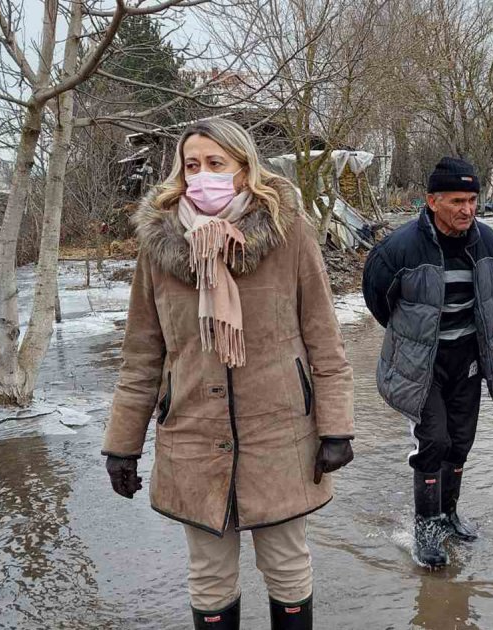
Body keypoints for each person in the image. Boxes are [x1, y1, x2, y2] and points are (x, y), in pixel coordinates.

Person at [102, 118, 355, 630]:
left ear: (244, 170)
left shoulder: (290, 234)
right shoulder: (160, 247)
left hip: (280, 432)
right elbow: (143, 355)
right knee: (210, 575)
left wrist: (337, 427)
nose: (202, 176)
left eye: (216, 164)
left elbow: (324, 338)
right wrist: (121, 445)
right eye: (191, 165)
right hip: (193, 434)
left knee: (286, 565)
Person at [361, 157, 493, 568]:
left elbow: (488, 300)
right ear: (432, 201)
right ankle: (425, 527)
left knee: (460, 442)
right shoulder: (399, 248)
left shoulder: (489, 244)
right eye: (457, 200)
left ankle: (449, 513)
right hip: (421, 365)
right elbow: (378, 300)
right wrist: (413, 339)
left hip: (468, 361)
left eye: (473, 199)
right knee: (434, 442)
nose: (468, 209)